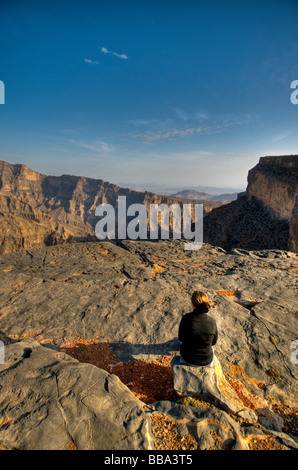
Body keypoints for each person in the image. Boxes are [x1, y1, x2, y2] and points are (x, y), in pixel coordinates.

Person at [178, 290, 218, 367]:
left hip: (187, 358)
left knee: (181, 343)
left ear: (193, 304)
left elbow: (181, 338)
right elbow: (213, 342)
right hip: (206, 360)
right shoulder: (212, 321)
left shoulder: (186, 318)